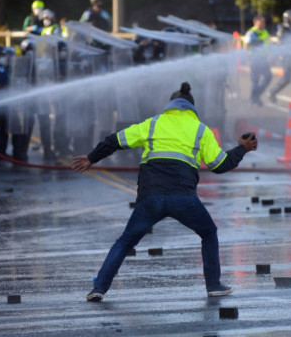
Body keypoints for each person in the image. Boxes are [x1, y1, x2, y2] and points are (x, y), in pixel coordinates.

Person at [73, 82, 257, 302]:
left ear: (170, 106)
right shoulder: (201, 130)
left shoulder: (153, 124)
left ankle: (99, 288)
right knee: (208, 233)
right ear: (192, 109)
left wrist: (92, 158)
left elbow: (115, 141)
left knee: (125, 241)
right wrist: (242, 148)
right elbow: (220, 165)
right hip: (184, 199)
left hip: (150, 199)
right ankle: (214, 285)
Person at [244, 15, 272, 106]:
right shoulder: (251, 33)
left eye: (264, 22)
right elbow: (246, 46)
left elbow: (267, 46)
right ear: (256, 22)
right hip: (254, 59)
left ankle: (256, 95)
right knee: (255, 80)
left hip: (263, 59)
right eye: (262, 22)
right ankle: (254, 98)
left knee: (268, 77)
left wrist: (268, 57)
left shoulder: (265, 32)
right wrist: (248, 59)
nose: (264, 24)